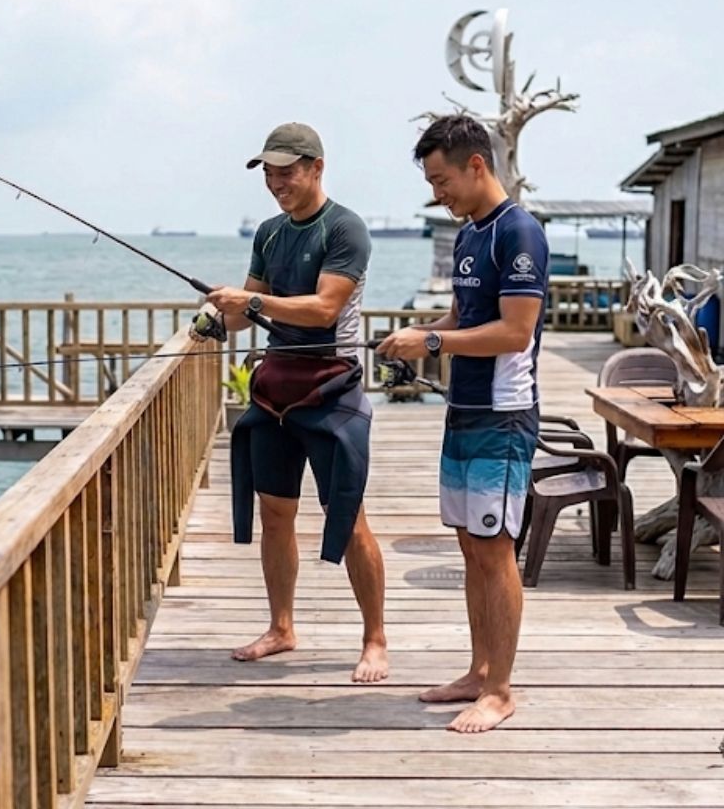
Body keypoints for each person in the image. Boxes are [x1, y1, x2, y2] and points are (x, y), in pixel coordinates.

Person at [192, 121, 388, 683]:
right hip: (277, 388)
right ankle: (282, 627)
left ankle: (374, 638)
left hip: (332, 387)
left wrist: (251, 299)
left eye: (287, 172)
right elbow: (243, 310)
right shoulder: (270, 232)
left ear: (316, 168)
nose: (277, 183)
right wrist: (216, 316)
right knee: (275, 514)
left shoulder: (345, 228)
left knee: (348, 519)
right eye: (270, 174)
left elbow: (325, 308)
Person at [377, 114, 549, 733]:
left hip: (504, 415)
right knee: (470, 544)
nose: (436, 193)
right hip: (464, 409)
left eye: (442, 179)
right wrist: (421, 336)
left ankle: (500, 691)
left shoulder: (518, 232)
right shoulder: (471, 234)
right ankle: (479, 670)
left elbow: (515, 331)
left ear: (477, 165)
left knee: (496, 548)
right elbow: (461, 315)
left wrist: (431, 343)